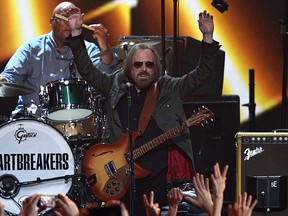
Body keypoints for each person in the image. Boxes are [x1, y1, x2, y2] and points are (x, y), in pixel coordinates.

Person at [66, 9, 220, 216]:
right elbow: (87, 70)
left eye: (149, 64)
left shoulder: (167, 87)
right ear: (130, 67)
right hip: (118, 174)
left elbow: (200, 76)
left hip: (154, 177)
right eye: (138, 64)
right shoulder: (115, 83)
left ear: (155, 67)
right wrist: (76, 34)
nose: (144, 69)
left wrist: (207, 37)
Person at [0, 1, 117, 118]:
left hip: (75, 122)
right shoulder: (32, 48)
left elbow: (104, 76)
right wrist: (3, 80)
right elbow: (10, 77)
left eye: (73, 20)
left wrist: (104, 46)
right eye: (64, 18)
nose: (68, 23)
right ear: (52, 22)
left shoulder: (88, 49)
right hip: (34, 119)